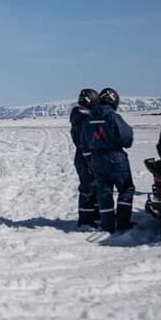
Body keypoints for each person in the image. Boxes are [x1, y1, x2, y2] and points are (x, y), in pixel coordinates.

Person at [83, 87, 135, 233]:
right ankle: (123, 222)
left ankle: (108, 224)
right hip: (115, 158)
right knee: (126, 189)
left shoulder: (88, 118)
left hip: (97, 159)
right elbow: (127, 139)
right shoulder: (113, 117)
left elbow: (84, 142)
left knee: (104, 192)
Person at [69, 88, 100, 228]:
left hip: (83, 155)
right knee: (89, 187)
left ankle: (93, 215)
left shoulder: (79, 115)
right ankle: (87, 219)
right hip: (87, 155)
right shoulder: (86, 117)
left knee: (91, 186)